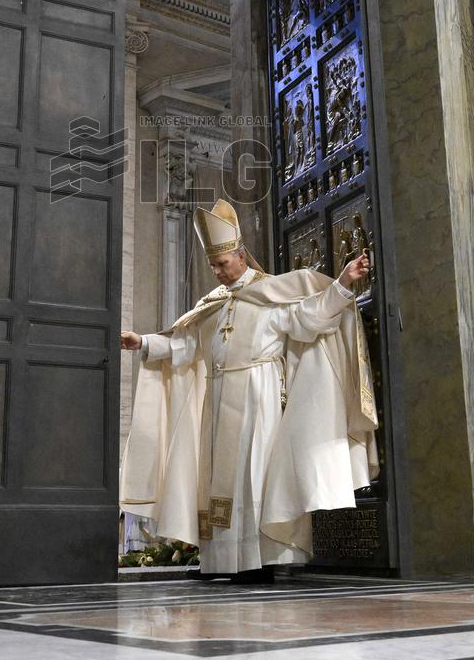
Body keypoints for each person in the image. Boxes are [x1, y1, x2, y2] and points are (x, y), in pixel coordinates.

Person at [120, 198, 378, 579]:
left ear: (241, 256)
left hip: (260, 398)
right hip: (219, 395)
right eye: (213, 266)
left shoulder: (272, 295)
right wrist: (143, 343)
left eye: (223, 264)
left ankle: (261, 560)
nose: (218, 272)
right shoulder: (213, 304)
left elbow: (309, 317)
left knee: (254, 475)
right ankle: (221, 559)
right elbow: (185, 345)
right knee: (217, 480)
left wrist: (343, 283)